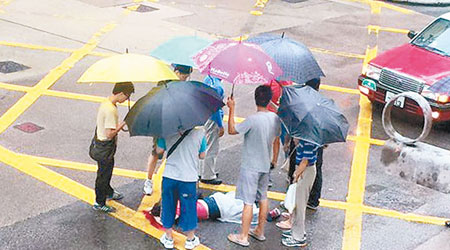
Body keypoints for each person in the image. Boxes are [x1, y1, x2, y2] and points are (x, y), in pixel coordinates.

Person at [226, 85, 281, 247]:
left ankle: (243, 236)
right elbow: (276, 138)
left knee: (248, 202)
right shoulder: (275, 119)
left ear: (255, 99)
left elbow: (231, 130)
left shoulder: (252, 120)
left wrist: (232, 108)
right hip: (265, 164)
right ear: (269, 100)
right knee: (263, 197)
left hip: (250, 166)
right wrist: (274, 160)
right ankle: (259, 231)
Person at [143, 64, 193, 195]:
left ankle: (171, 180)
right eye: (183, 76)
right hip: (161, 122)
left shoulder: (184, 86)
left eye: (186, 76)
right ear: (176, 72)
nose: (184, 78)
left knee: (174, 153)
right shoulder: (164, 83)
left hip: (176, 124)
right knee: (156, 152)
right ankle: (148, 180)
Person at [156, 127, 207, 250]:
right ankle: (190, 239)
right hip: (188, 178)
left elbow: (159, 151)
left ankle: (168, 237)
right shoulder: (200, 133)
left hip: (169, 176)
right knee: (189, 208)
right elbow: (202, 156)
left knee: (168, 206)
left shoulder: (166, 131)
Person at [92, 82, 134, 213]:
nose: (126, 100)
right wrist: (123, 124)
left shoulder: (106, 103)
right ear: (121, 93)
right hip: (105, 147)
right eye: (126, 97)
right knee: (103, 175)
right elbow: (109, 134)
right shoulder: (111, 110)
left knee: (106, 171)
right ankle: (100, 202)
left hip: (100, 143)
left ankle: (108, 191)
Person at [281, 139, 318, 247]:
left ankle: (299, 237)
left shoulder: (309, 140)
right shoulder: (306, 137)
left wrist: (296, 175)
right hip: (304, 170)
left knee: (300, 205)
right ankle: (296, 231)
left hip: (305, 171)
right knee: (298, 204)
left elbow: (305, 161)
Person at [200, 76, 225, 185]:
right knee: (212, 147)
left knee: (206, 145)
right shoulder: (218, 87)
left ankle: (203, 171)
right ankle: (208, 175)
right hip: (213, 119)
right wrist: (220, 125)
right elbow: (216, 109)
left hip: (205, 115)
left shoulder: (208, 79)